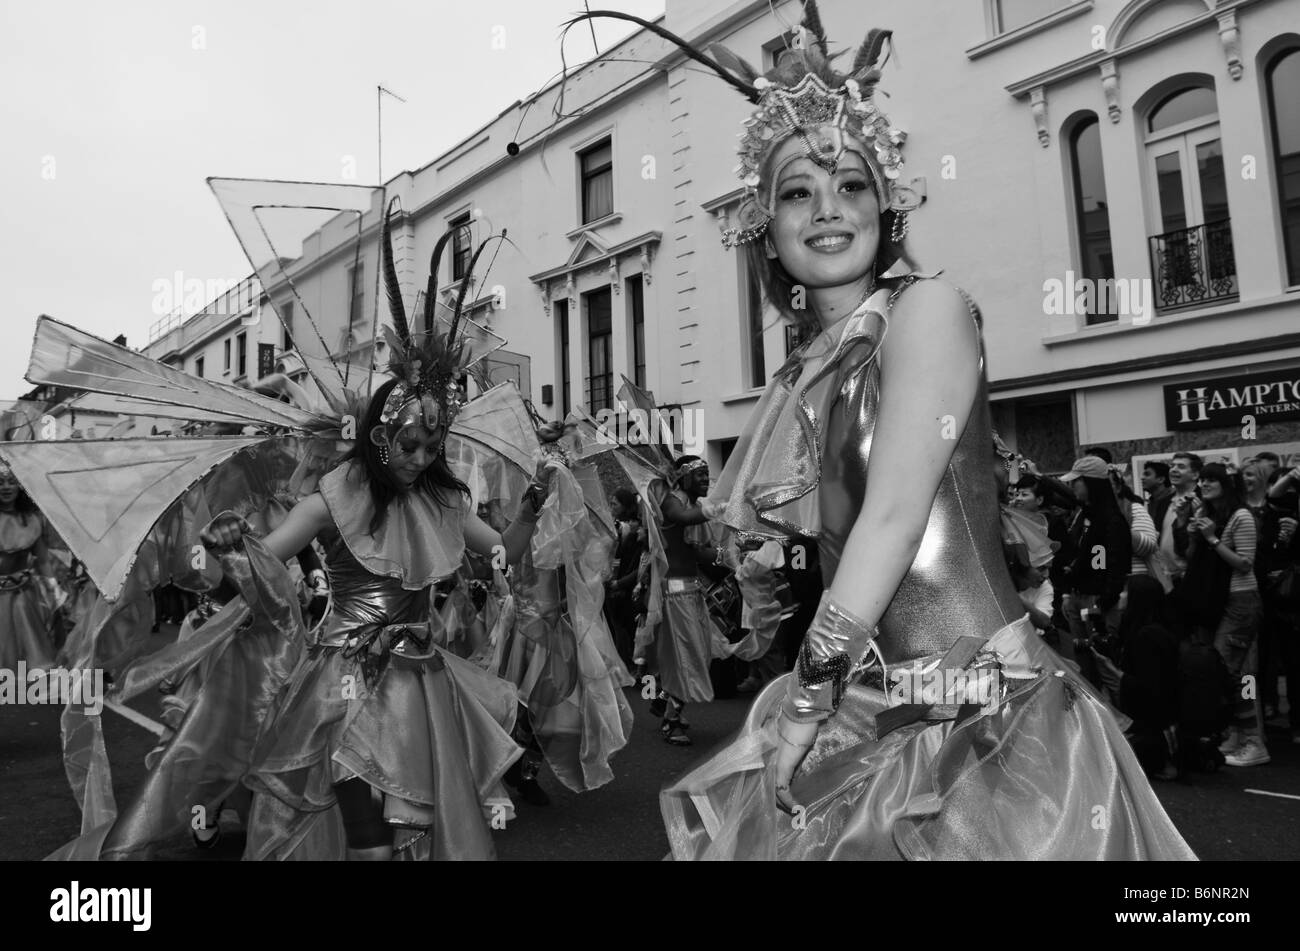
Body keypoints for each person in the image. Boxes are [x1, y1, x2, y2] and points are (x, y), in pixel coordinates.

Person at [567, 2, 1193, 859]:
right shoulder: (815, 372)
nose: (828, 209)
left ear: (886, 203)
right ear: (766, 226)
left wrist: (805, 696)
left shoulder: (926, 309)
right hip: (876, 712)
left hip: (991, 728)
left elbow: (896, 515)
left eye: (851, 184)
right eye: (798, 191)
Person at [225, 364, 550, 860]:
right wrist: (227, 545)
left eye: (431, 448)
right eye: (409, 446)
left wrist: (529, 510)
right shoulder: (326, 504)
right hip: (345, 678)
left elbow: (506, 550)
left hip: (417, 678)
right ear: (380, 435)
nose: (420, 459)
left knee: (413, 823)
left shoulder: (444, 503)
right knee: (369, 836)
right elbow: (260, 567)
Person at [1180, 463, 1268, 766]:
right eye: (1202, 479)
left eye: (1211, 479)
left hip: (1240, 599)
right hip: (1216, 602)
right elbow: (1190, 559)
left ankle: (1254, 742)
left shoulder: (1241, 516)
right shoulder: (1210, 516)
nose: (1204, 483)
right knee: (1227, 671)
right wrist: (1193, 533)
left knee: (1232, 672)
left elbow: (1244, 564)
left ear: (1226, 484)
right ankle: (1235, 735)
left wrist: (1213, 539)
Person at [645, 454, 719, 746]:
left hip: (692, 592)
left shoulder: (694, 506)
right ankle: (671, 721)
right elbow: (681, 518)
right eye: (699, 474)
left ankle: (663, 699)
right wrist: (719, 507)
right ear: (683, 478)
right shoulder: (672, 502)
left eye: (707, 474)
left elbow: (698, 552)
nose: (705, 479)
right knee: (687, 657)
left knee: (699, 654)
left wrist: (737, 560)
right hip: (674, 594)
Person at [1090, 576, 1179, 780]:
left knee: (1105, 759)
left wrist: (1113, 671)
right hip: (1159, 724)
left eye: (1126, 592)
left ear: (1138, 599)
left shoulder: (1147, 636)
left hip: (1155, 729)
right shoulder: (1152, 630)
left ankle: (1161, 760)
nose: (1120, 596)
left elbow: (1151, 690)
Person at [1059, 455, 1132, 666]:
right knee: (1083, 664)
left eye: (1076, 481)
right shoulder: (1088, 514)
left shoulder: (1111, 519)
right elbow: (1095, 558)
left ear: (1091, 483)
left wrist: (1102, 602)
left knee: (1103, 663)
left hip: (1097, 603)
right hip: (1079, 597)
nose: (1072, 486)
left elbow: (1115, 566)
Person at [0, 462, 62, 670]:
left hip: (21, 596)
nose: (6, 487)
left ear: (20, 486)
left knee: (28, 651)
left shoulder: (32, 520)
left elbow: (42, 559)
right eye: (0, 483)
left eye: (11, 482)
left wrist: (54, 587)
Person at [604, 487, 646, 669]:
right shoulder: (618, 526)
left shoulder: (633, 530)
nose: (611, 507)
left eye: (615, 504)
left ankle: (633, 668)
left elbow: (639, 565)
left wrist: (618, 583)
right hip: (618, 584)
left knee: (628, 628)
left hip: (627, 587)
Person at [1156, 452, 1202, 593]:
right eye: (1172, 466)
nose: (1174, 470)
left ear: (1194, 475)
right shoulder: (1163, 502)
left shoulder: (1203, 501)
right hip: (1165, 577)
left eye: (1181, 466)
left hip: (1193, 576)